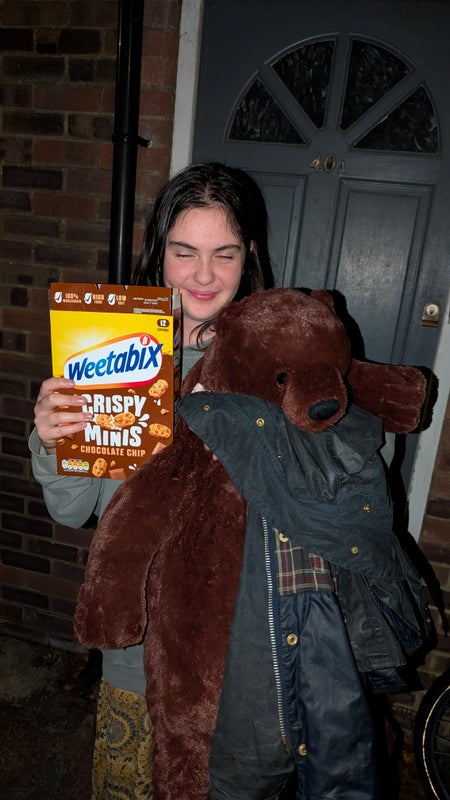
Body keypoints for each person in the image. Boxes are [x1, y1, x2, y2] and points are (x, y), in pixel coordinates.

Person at [29, 161, 274, 800]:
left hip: (240, 656)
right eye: (184, 252)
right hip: (133, 653)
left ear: (249, 257)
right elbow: (72, 510)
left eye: (224, 254)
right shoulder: (111, 347)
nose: (203, 276)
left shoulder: (273, 361)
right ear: (158, 253)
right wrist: (54, 442)